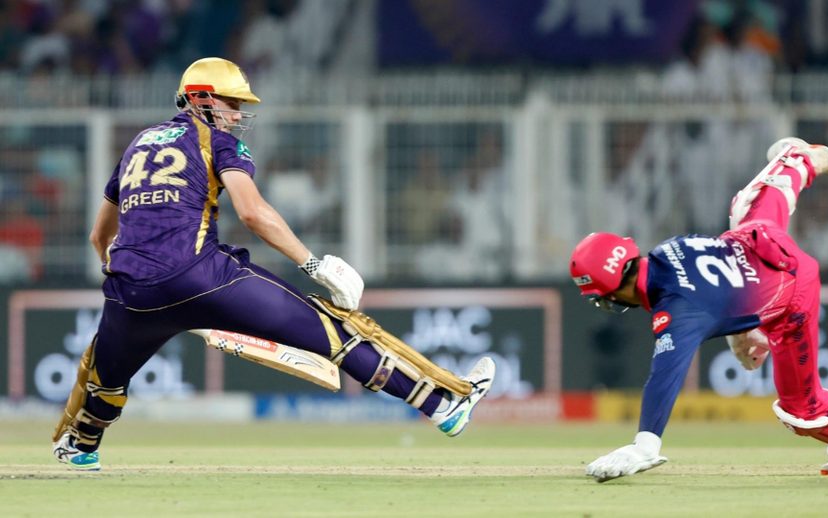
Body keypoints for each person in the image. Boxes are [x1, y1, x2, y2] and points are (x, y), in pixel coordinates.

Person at [51, 57, 495, 471]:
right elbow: (253, 213)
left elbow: (99, 237)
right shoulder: (219, 142)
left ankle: (81, 447)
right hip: (205, 278)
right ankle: (441, 405)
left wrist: (134, 281)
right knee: (334, 333)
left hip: (129, 290)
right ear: (201, 99)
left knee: (105, 380)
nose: (237, 115)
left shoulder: (137, 144)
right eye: (231, 103)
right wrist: (314, 265)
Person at [569, 137, 828, 481]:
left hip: (792, 290)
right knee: (745, 207)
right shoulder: (668, 249)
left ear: (613, 285)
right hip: (759, 239)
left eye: (601, 296)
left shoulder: (677, 312)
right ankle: (798, 160)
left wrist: (644, 445)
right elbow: (722, 284)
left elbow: (664, 378)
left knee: (800, 410)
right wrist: (743, 330)